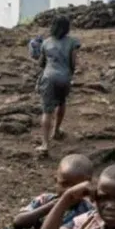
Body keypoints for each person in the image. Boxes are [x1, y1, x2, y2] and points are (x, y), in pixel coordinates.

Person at [37, 16, 80, 155]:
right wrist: (69, 74)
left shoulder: (46, 42)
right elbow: (73, 62)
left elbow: (41, 63)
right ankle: (56, 131)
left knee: (47, 111)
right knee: (61, 102)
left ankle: (45, 144)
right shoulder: (73, 42)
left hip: (49, 77)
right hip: (64, 77)